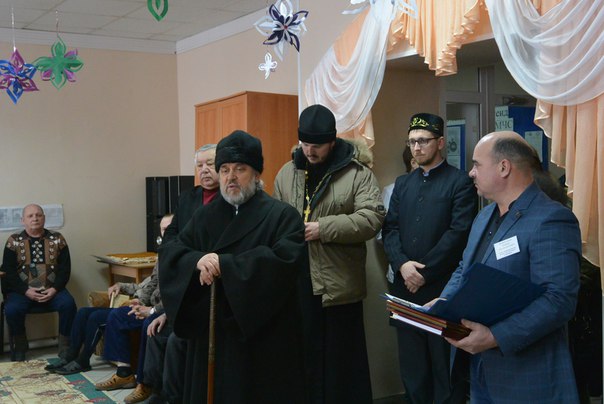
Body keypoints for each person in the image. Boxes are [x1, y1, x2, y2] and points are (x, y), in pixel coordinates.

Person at [159, 130, 308, 403]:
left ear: (257, 173)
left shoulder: (281, 216)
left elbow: (284, 262)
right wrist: (196, 261)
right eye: (225, 169)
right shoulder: (204, 216)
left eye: (240, 169)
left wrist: (225, 265)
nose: (231, 177)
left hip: (261, 337)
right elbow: (172, 250)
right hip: (212, 331)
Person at [436, 131, 582, 402]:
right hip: (479, 371)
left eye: (477, 164)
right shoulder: (484, 216)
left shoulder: (551, 219)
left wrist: (495, 336)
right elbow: (464, 268)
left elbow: (559, 300)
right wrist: (444, 304)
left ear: (504, 167)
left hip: (527, 376)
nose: (471, 173)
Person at [273, 104, 385, 404]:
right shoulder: (287, 173)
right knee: (303, 362)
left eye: (317, 145)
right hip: (297, 282)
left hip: (339, 286)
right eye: (305, 144)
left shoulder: (357, 173)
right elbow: (274, 219)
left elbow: (372, 218)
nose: (310, 151)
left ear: (332, 141)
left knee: (342, 366)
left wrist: (323, 228)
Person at [381, 113, 477, 404]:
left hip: (442, 291)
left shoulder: (460, 182)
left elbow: (458, 234)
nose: (417, 147)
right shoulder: (402, 183)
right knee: (413, 370)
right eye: (412, 142)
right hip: (404, 290)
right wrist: (402, 265)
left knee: (445, 369)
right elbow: (390, 229)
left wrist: (424, 272)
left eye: (423, 141)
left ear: (440, 142)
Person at [46, 214, 172, 383]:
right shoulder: (162, 255)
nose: (166, 233)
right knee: (83, 312)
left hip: (151, 310)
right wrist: (121, 286)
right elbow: (147, 284)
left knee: (96, 317)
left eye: (170, 228)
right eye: (163, 229)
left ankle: (83, 360)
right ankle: (70, 355)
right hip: (139, 304)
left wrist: (143, 304)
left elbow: (165, 293)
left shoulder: (175, 256)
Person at [142, 143, 220, 404]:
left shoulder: (228, 199)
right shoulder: (187, 198)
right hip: (187, 283)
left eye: (210, 164)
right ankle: (155, 392)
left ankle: (173, 398)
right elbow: (170, 243)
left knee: (178, 340)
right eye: (199, 165)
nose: (204, 170)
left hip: (212, 288)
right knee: (157, 333)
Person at [1, 203, 77, 361]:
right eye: (30, 216)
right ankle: (20, 346)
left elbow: (65, 269)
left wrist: (54, 289)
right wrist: (26, 291)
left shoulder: (58, 239)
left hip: (52, 290)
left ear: (44, 218)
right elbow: (9, 272)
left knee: (69, 304)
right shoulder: (13, 241)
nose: (35, 218)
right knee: (12, 309)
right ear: (23, 220)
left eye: (38, 215)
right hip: (22, 292)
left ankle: (65, 346)